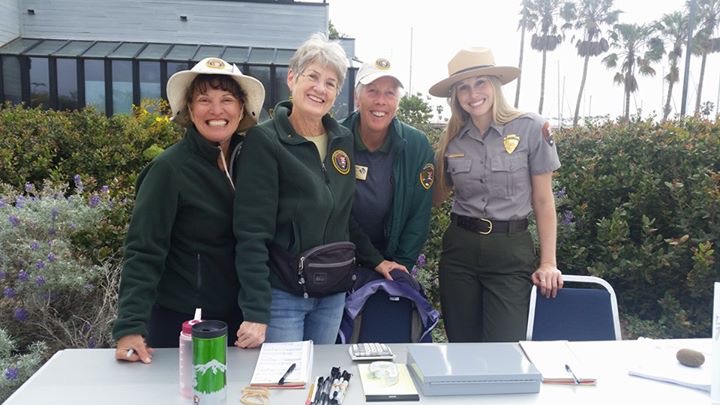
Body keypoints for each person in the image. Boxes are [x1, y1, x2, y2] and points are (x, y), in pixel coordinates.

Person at [113, 57, 265, 362]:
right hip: (181, 322)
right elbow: (144, 251)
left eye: (227, 100)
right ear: (189, 108)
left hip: (241, 321)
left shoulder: (254, 164)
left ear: (241, 108)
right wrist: (130, 327)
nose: (217, 110)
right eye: (204, 100)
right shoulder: (168, 170)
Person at [429, 47, 563, 343]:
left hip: (510, 253)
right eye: (463, 87)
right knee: (462, 347)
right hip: (460, 253)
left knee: (504, 349)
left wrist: (548, 262)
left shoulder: (531, 128)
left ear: (495, 85)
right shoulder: (451, 140)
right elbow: (434, 198)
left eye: (480, 83)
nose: (472, 93)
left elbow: (543, 201)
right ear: (455, 96)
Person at [232, 33, 354, 346]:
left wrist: (378, 260)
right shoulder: (265, 141)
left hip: (332, 294)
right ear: (292, 78)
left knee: (318, 385)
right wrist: (256, 310)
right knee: (284, 390)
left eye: (330, 83)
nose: (320, 88)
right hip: (284, 295)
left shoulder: (344, 141)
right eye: (312, 76)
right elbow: (251, 232)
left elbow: (345, 217)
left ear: (337, 93)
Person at [340, 57, 435, 281]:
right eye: (372, 91)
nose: (380, 101)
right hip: (339, 256)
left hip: (392, 259)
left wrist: (399, 267)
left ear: (397, 102)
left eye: (389, 93)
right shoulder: (336, 137)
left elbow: (419, 214)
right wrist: (374, 259)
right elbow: (335, 211)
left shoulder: (417, 145)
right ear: (357, 97)